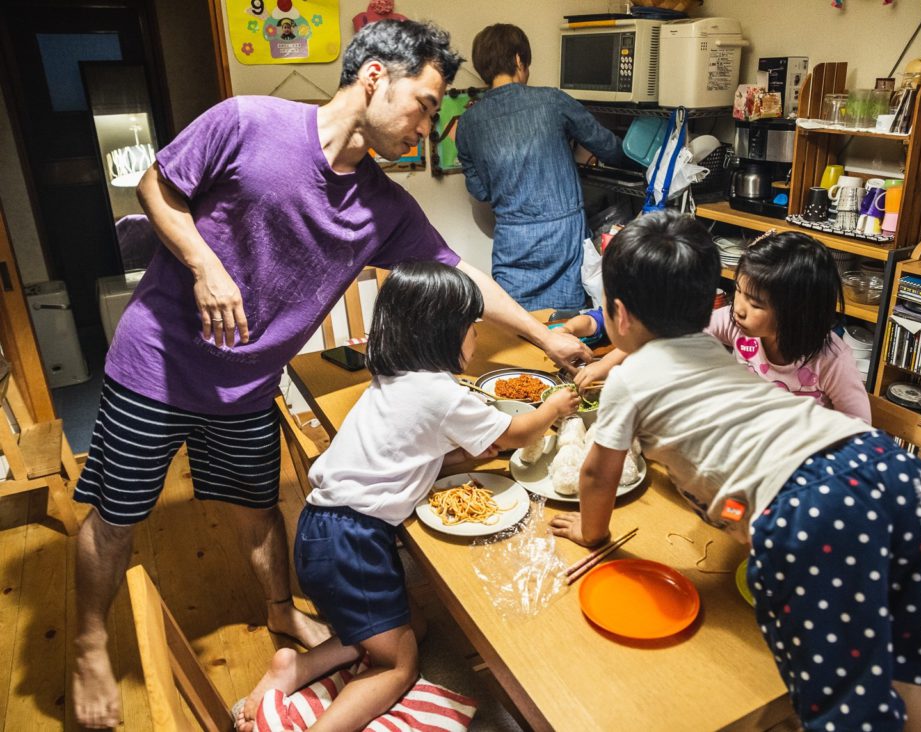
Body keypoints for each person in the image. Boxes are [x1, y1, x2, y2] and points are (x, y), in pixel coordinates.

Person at [71, 19, 589, 729]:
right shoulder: (248, 121)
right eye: (426, 104)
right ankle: (89, 645)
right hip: (155, 362)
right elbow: (156, 188)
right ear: (375, 76)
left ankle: (282, 616)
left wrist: (543, 335)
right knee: (116, 517)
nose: (428, 127)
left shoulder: (382, 205)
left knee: (259, 512)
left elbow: (461, 272)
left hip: (249, 382)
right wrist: (204, 264)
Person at [550, 211, 921, 731]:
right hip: (891, 467)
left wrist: (592, 532)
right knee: (914, 660)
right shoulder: (719, 350)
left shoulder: (632, 376)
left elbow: (596, 476)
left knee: (843, 704)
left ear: (619, 315)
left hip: (815, 505)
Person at [234, 261, 580, 730]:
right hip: (351, 542)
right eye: (471, 329)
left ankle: (295, 668)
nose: (476, 339)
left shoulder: (397, 380)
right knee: (399, 666)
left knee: (412, 628)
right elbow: (518, 432)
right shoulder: (441, 393)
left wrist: (478, 451)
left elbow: (427, 457)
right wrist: (553, 407)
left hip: (329, 533)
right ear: (444, 334)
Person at [574, 231, 871, 422]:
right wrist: (607, 364)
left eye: (755, 304)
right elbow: (671, 331)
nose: (738, 308)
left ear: (797, 311)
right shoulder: (737, 324)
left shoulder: (831, 359)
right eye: (738, 292)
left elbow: (859, 430)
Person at [456, 23, 627, 311]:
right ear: (519, 60)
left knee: (519, 324)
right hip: (563, 235)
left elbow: (480, 191)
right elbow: (608, 147)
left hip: (513, 240)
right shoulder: (552, 101)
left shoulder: (468, 123)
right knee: (566, 321)